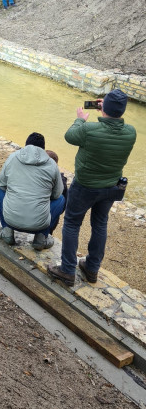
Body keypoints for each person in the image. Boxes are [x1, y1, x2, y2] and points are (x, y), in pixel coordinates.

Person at [47, 89, 136, 287]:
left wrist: (80, 119)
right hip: (112, 187)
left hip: (85, 186)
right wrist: (107, 108)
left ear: (103, 108)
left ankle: (68, 270)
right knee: (100, 224)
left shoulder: (89, 130)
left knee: (72, 223)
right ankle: (92, 268)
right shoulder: (131, 132)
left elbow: (70, 136)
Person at [0, 132, 65, 250]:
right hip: (39, 224)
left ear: (25, 146)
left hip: (11, 219)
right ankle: (41, 238)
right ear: (43, 149)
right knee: (61, 199)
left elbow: (1, 184)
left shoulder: (13, 157)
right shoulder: (52, 164)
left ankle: (7, 231)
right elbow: (57, 194)